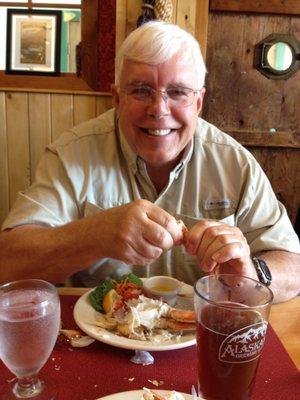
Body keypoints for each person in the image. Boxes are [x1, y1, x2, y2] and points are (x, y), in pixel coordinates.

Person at [0, 22, 299, 302]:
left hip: (199, 340)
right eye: (141, 90)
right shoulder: (70, 155)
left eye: (178, 92)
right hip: (94, 342)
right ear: (117, 99)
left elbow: (294, 268)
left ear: (198, 102)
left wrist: (251, 274)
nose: (158, 110)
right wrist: (95, 236)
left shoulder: (235, 164)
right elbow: (8, 264)